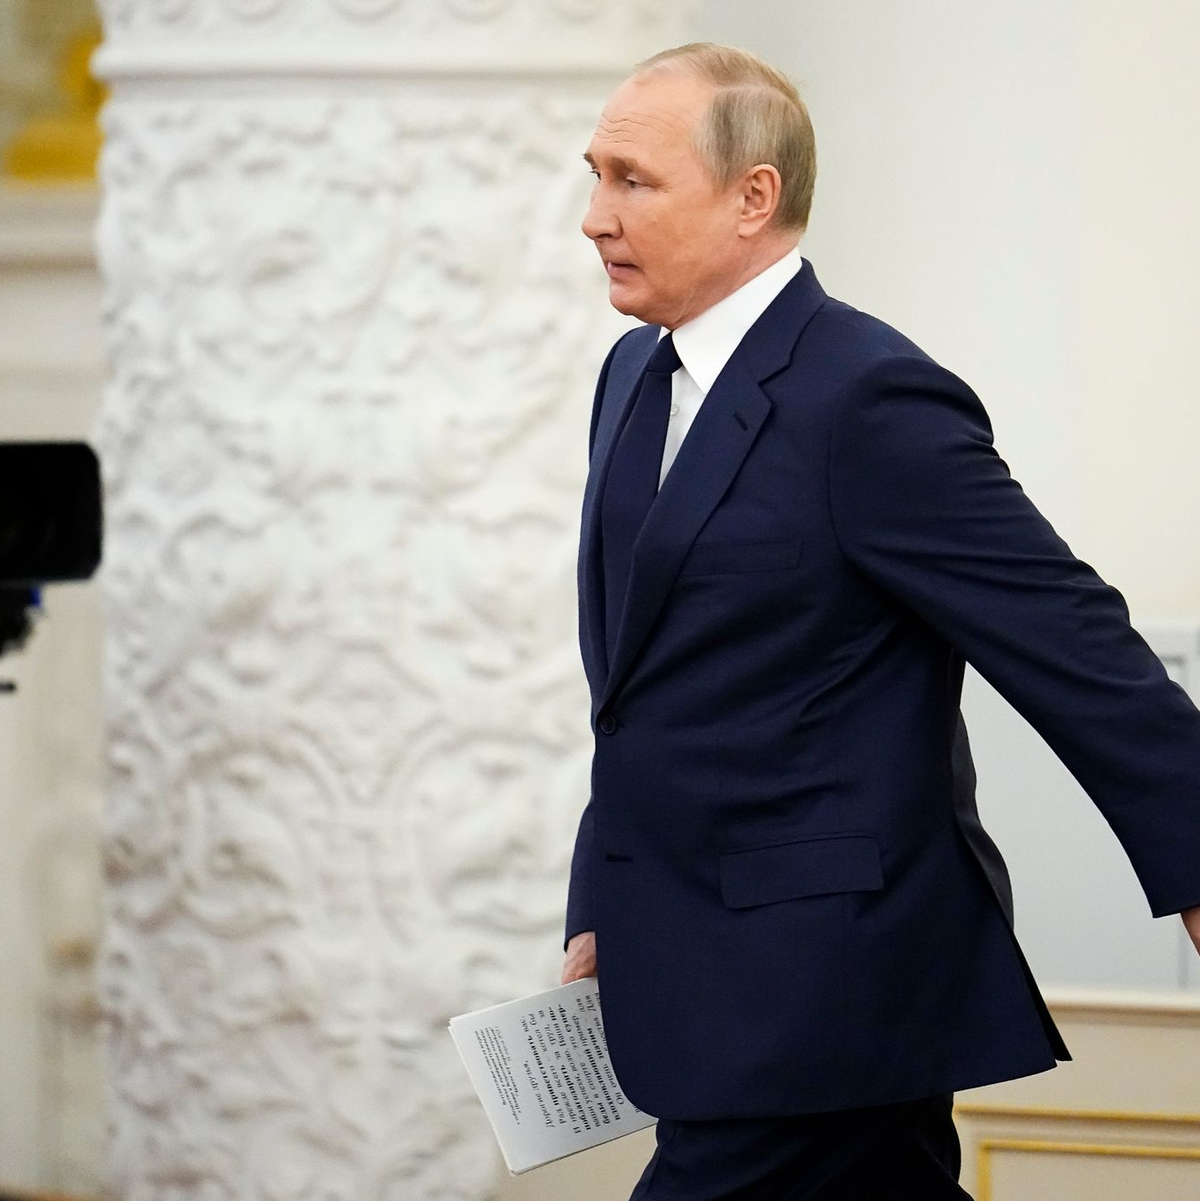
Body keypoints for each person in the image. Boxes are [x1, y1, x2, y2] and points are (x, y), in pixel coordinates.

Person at [559, 41, 1200, 1200]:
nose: (594, 216)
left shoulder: (868, 396)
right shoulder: (630, 377)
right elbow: (644, 693)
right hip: (702, 974)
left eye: (632, 181)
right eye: (594, 175)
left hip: (825, 989)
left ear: (755, 196)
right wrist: (603, 901)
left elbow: (1072, 639)